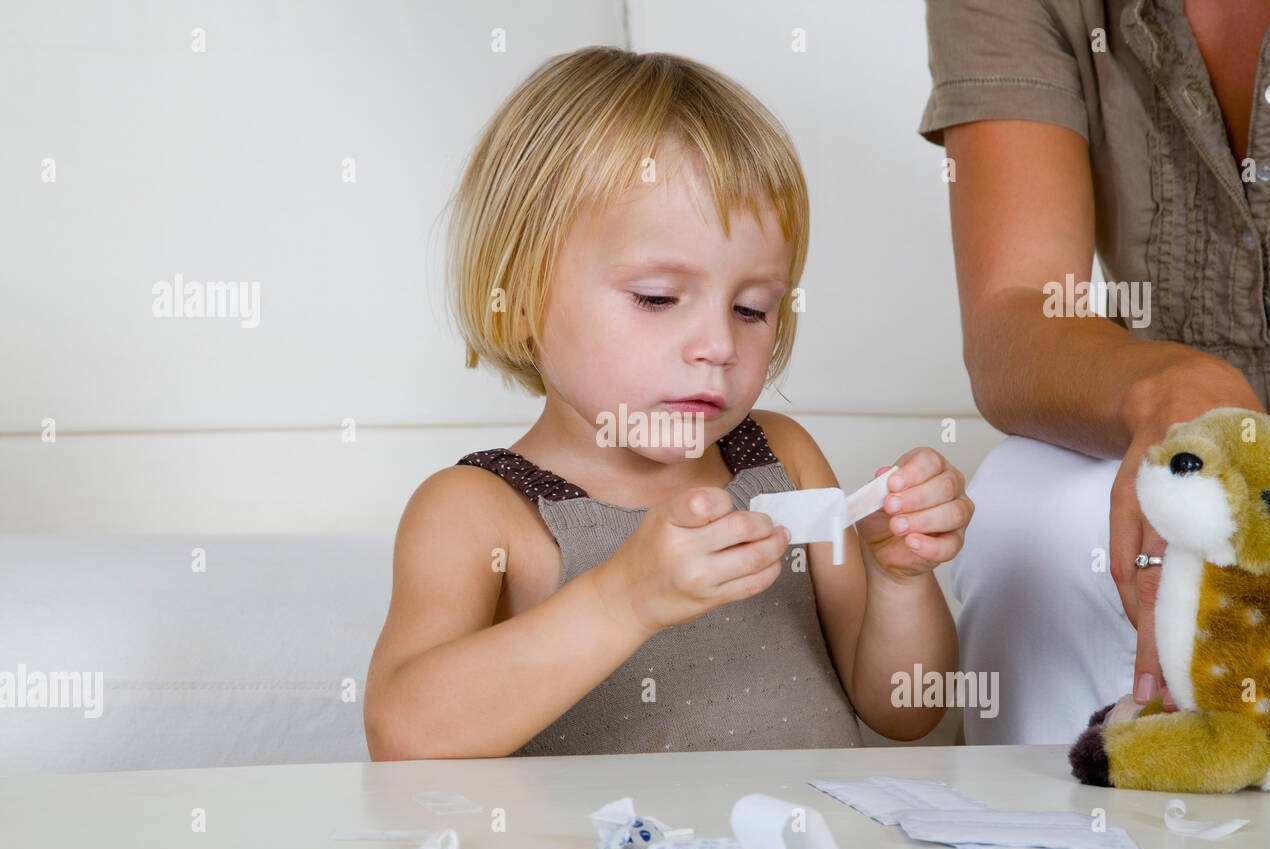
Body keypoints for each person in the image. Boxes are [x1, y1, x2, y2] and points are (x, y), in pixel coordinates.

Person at [363, 46, 973, 759]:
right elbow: (403, 736)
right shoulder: (477, 510)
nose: (718, 343)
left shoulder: (783, 459)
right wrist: (624, 599)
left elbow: (904, 712)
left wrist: (900, 581)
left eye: (751, 309)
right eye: (656, 298)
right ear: (522, 298)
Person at [919, 0, 1270, 744]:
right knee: (1029, 510)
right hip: (1195, 458)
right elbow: (1015, 306)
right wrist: (1182, 394)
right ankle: (1047, 837)